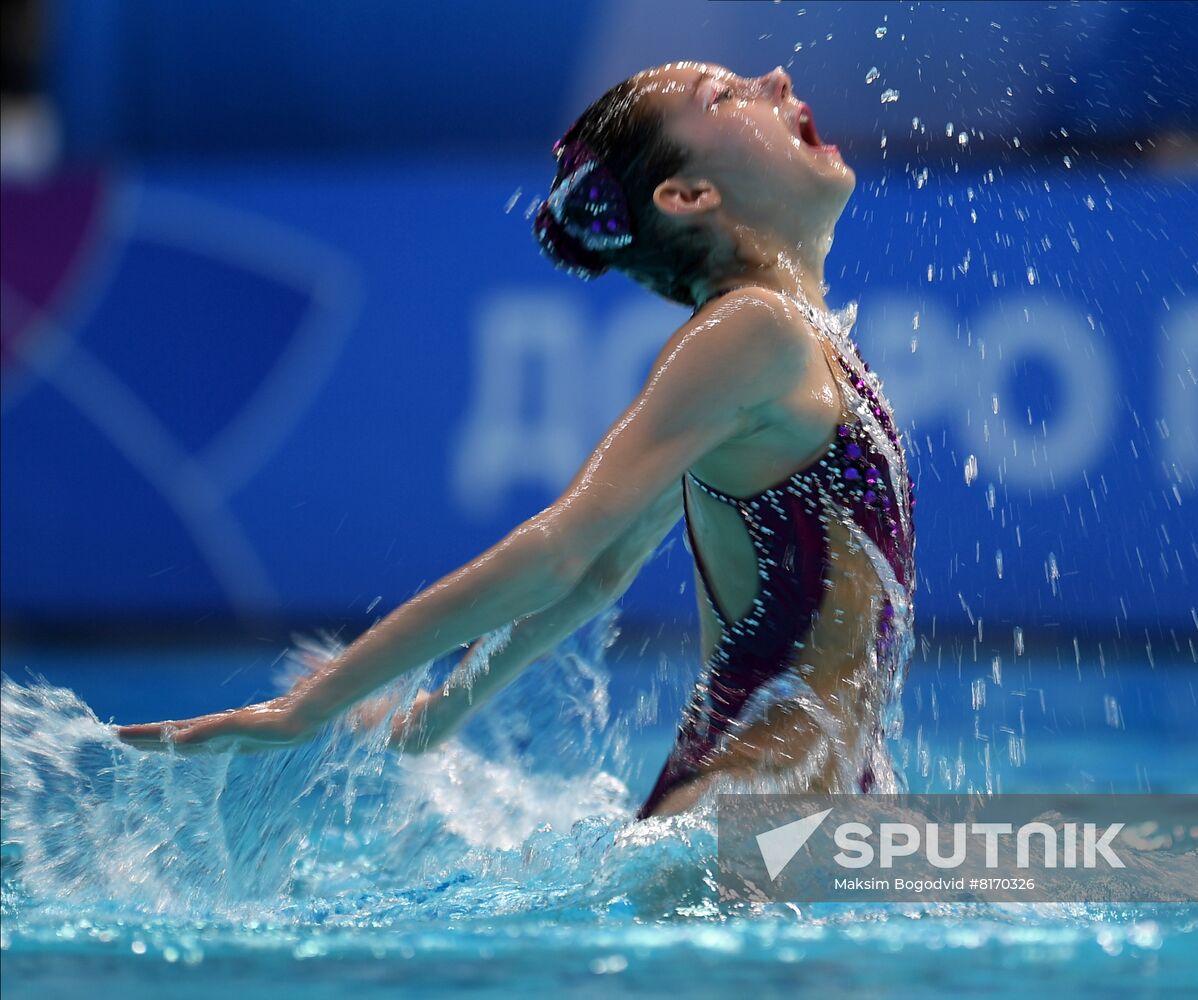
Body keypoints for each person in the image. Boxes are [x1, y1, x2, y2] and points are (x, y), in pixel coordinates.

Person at [117, 62, 916, 819]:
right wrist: (310, 707)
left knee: (1023, 861)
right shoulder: (751, 329)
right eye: (723, 96)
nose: (773, 79)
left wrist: (438, 712)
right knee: (1027, 863)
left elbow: (602, 570)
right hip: (745, 825)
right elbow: (563, 550)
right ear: (689, 194)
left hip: (800, 820)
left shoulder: (797, 342)